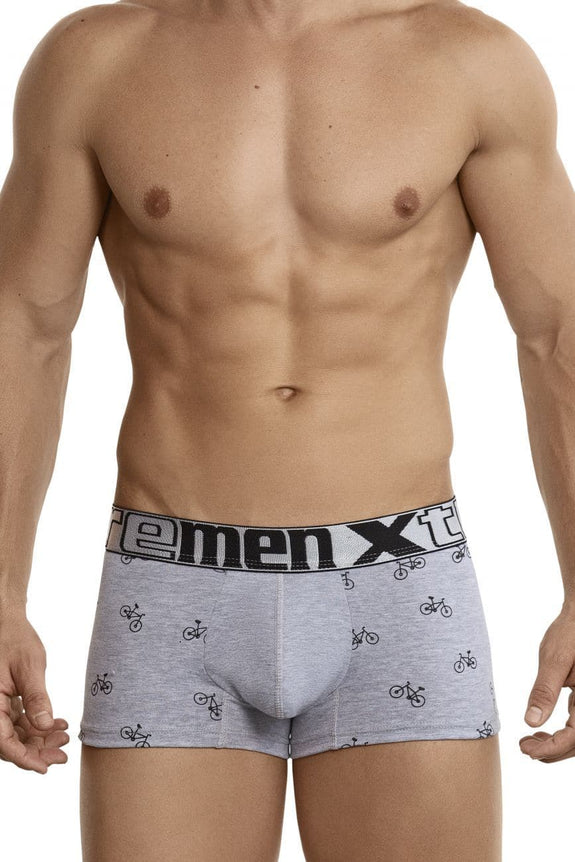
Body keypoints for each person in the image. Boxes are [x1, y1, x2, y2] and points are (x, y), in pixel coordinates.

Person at [0, 0, 574, 859]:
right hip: (174, 576)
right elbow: (25, 329)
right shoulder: (97, 58)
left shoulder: (469, 60)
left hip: (398, 578)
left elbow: (555, 331)